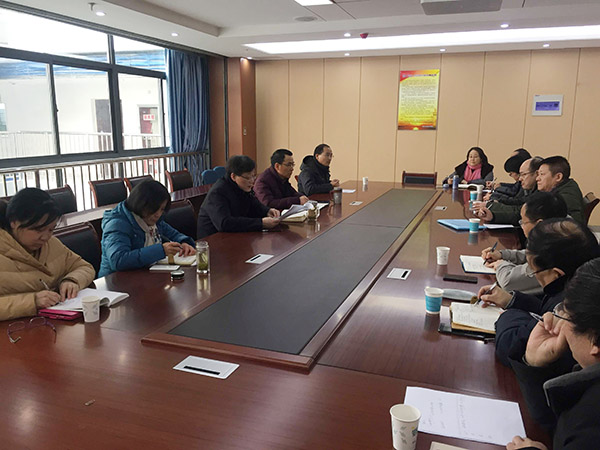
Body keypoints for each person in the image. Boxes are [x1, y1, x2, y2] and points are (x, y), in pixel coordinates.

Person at [478, 218, 599, 367]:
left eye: (533, 271)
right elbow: (544, 309)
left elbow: (512, 345)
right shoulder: (582, 284)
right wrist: (512, 300)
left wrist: (508, 315)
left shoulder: (569, 309)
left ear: (556, 274)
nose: (534, 276)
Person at [505, 258, 600, 449]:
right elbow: (557, 428)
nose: (559, 323)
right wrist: (532, 362)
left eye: (566, 316)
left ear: (596, 342)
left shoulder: (590, 424)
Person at [0, 188, 95, 320]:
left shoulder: (51, 244)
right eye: (38, 230)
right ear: (14, 222)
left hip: (53, 323)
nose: (45, 237)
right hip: (15, 329)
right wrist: (33, 301)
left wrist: (72, 280)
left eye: (51, 229)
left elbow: (84, 267)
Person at [99, 180, 195, 277]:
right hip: (115, 281)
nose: (158, 214)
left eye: (162, 209)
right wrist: (161, 250)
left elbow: (173, 234)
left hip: (144, 275)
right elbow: (118, 260)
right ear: (141, 204)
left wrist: (184, 243)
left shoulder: (154, 219)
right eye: (154, 209)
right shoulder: (117, 223)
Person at [482, 192, 567, 295]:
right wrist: (502, 254)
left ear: (539, 225)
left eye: (523, 221)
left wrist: (500, 265)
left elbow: (508, 282)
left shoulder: (555, 252)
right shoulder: (560, 233)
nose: (521, 225)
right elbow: (531, 254)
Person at [196, 155, 280, 238]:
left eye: (253, 176)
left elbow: (253, 205)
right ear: (233, 176)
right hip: (213, 240)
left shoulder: (241, 187)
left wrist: (267, 211)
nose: (252, 181)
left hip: (233, 236)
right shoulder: (217, 192)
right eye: (247, 178)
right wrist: (261, 223)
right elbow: (224, 223)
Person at [475, 157, 542, 225]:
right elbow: (517, 203)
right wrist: (492, 213)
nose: (520, 179)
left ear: (536, 174)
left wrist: (491, 207)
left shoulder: (541, 194)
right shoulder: (533, 190)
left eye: (524, 174)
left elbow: (518, 212)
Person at [536, 156, 585, 224]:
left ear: (558, 177)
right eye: (538, 174)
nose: (537, 178)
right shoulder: (566, 187)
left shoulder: (565, 198)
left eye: (542, 174)